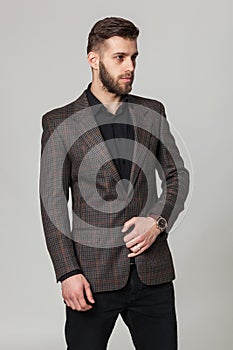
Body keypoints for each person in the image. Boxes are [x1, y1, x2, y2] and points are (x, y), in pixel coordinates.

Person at [39, 17, 189, 350]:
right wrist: (67, 272)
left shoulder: (152, 111)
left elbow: (178, 175)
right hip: (91, 278)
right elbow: (52, 205)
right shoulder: (58, 122)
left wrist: (157, 222)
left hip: (153, 274)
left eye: (134, 57)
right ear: (94, 60)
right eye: (119, 57)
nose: (130, 66)